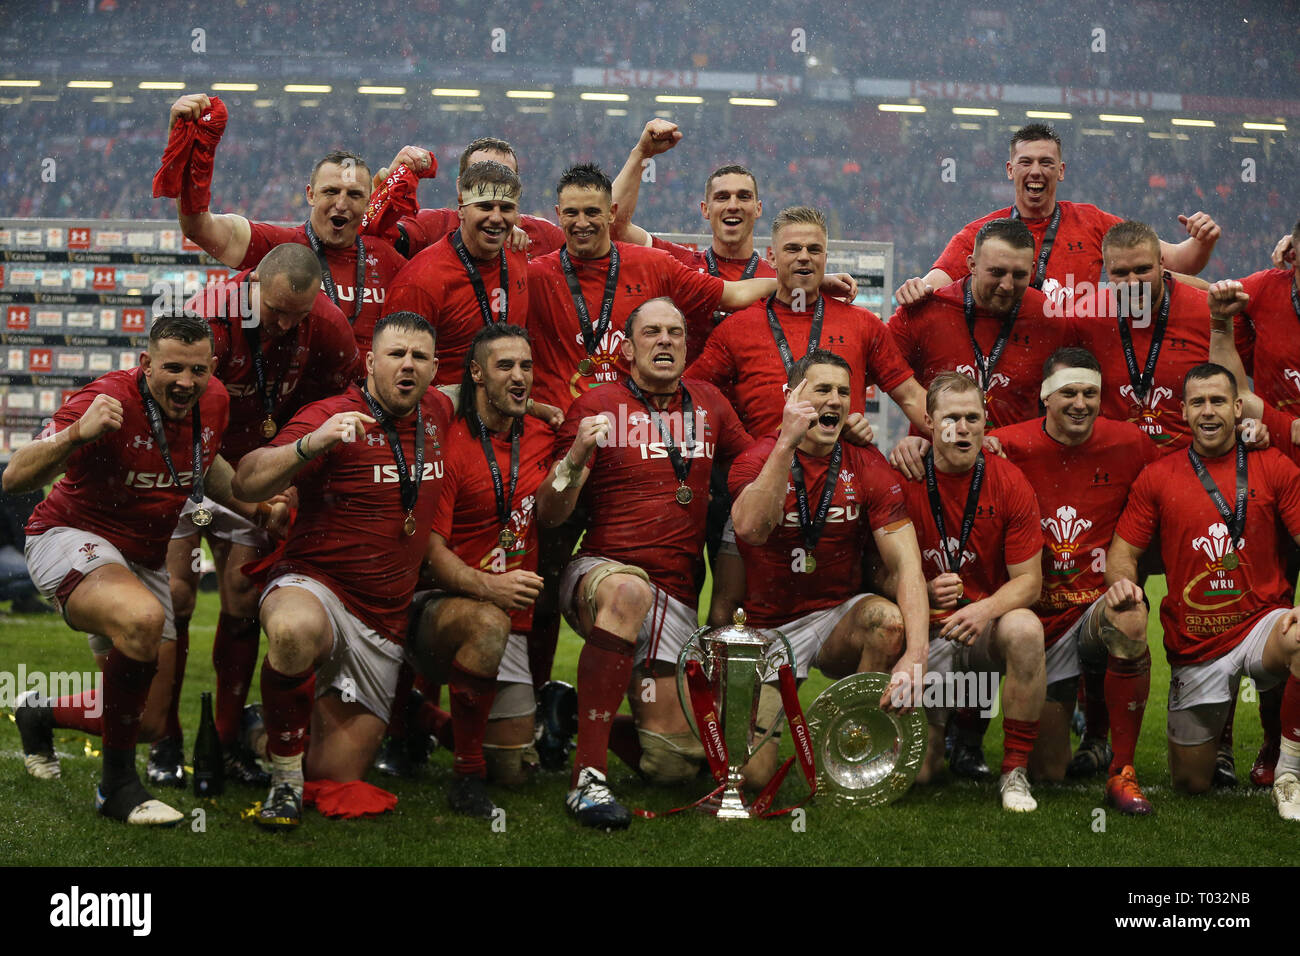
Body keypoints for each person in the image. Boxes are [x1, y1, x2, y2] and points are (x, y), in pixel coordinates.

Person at [6, 314, 281, 824]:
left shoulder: (214, 399)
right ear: (145, 364)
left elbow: (209, 469)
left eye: (197, 370)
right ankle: (116, 791)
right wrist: (74, 436)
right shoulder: (106, 399)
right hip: (69, 537)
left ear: (212, 367)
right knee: (142, 619)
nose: (185, 381)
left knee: (153, 722)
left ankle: (38, 713)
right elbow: (14, 476)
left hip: (141, 557)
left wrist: (259, 510)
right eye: (172, 368)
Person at [535, 297, 752, 829]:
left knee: (672, 764)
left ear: (687, 345)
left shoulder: (712, 404)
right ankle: (586, 777)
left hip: (675, 594)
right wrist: (575, 458)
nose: (665, 341)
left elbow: (748, 460)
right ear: (628, 348)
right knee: (630, 593)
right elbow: (550, 510)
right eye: (651, 332)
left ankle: (569, 710)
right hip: (602, 575)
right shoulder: (595, 405)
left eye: (675, 333)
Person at [231, 312, 453, 829]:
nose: (408, 365)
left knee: (331, 774)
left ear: (434, 369)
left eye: (419, 357)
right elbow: (246, 481)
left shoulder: (439, 409)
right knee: (292, 631)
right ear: (371, 362)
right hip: (317, 587)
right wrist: (313, 444)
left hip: (383, 620)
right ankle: (282, 783)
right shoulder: (331, 415)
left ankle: (257, 733)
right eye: (396, 354)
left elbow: (477, 390)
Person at [152, 243, 359, 789]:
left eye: (299, 314)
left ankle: (224, 741)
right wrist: (254, 499)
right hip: (190, 464)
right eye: (276, 312)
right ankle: (166, 739)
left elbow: (342, 402)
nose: (288, 324)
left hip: (262, 474)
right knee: (174, 595)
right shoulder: (210, 315)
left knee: (243, 599)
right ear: (250, 291)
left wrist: (291, 476)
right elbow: (180, 423)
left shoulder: (329, 324)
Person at [689, 204, 927, 625]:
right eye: (793, 248)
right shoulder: (737, 328)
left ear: (826, 257)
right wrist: (741, 452)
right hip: (760, 485)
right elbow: (693, 401)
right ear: (772, 256)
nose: (804, 257)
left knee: (851, 613)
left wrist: (956, 433)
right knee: (727, 613)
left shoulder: (862, 324)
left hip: (834, 489)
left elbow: (910, 396)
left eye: (814, 250)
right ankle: (725, 689)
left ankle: (840, 686)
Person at [1107, 363, 1300, 820]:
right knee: (1191, 782)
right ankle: (1214, 746)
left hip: (1261, 625)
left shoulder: (1274, 464)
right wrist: (1123, 584)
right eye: (1198, 403)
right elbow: (1122, 552)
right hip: (1196, 640)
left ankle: (1289, 771)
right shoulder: (1159, 475)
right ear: (1185, 411)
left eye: (1218, 401)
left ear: (1237, 408)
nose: (1208, 411)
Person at [728, 350, 929, 785]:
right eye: (821, 390)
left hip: (837, 616)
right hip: (770, 628)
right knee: (752, 777)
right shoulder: (756, 457)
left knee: (888, 623)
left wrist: (916, 654)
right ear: (791, 396)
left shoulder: (866, 464)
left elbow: (908, 564)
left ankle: (854, 743)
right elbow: (751, 529)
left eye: (843, 392)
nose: (835, 400)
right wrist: (786, 442)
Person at [992, 347, 1161, 812]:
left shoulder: (1131, 443)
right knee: (1050, 771)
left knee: (1129, 614)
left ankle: (1120, 767)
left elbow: (1175, 480)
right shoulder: (1005, 444)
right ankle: (973, 737)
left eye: (1091, 393)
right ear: (1045, 398)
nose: (1081, 403)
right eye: (1068, 393)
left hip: (1091, 611)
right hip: (1033, 617)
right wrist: (917, 443)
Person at [410, 323, 554, 816]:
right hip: (435, 606)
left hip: (504, 608)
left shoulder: (541, 435)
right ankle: (466, 777)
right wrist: (490, 588)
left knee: (513, 768)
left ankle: (416, 716)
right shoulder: (448, 440)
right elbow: (430, 552)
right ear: (475, 373)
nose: (520, 377)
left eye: (526, 366)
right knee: (487, 622)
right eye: (505, 366)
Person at [898, 372, 1047, 812]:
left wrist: (986, 609)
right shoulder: (901, 476)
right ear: (927, 421)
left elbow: (1029, 581)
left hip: (979, 629)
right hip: (921, 631)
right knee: (922, 774)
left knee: (1024, 628)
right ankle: (941, 729)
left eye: (972, 418)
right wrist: (922, 590)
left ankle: (1014, 771)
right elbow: (870, 574)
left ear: (986, 422)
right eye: (950, 419)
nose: (962, 429)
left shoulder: (1009, 481)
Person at [165, 93, 409, 352]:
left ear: (369, 201)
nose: (341, 203)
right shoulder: (279, 247)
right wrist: (185, 144)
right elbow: (198, 226)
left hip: (366, 390)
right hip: (298, 390)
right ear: (310, 194)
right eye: (330, 191)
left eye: (354, 194)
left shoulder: (387, 259)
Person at [895, 123, 1219, 309]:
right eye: (1026, 162)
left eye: (1046, 163)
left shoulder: (1092, 222)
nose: (1036, 171)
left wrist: (1200, 241)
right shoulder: (982, 232)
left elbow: (1177, 261)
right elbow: (932, 286)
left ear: (1060, 171)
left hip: (1074, 369)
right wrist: (915, 289)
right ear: (1010, 170)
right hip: (1011, 366)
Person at [609, 119, 778, 363]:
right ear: (705, 209)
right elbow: (615, 226)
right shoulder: (678, 263)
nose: (733, 205)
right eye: (722, 197)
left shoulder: (775, 280)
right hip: (685, 399)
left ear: (758, 208)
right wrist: (641, 154)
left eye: (743, 197)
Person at [889, 218, 1069, 433]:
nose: (1007, 285)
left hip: (1014, 463)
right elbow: (864, 367)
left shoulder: (1048, 318)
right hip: (935, 461)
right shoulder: (926, 312)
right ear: (972, 265)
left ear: (1032, 270)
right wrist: (854, 422)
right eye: (997, 272)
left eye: (1019, 275)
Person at [1070, 220, 1214, 454]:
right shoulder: (1084, 317)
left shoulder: (1206, 312)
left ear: (1162, 265)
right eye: (1120, 273)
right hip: (1114, 468)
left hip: (1192, 470)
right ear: (1106, 271)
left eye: (1142, 270)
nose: (1133, 283)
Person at [385, 162, 531, 386]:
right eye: (484, 207)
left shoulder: (517, 252)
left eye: (506, 208)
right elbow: (394, 375)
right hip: (447, 415)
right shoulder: (421, 280)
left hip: (506, 406)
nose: (496, 217)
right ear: (461, 210)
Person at [380, 136, 565, 261]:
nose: (493, 186)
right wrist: (388, 184)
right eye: (481, 176)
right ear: (460, 186)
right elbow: (376, 239)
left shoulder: (544, 235)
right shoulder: (433, 226)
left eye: (505, 177)